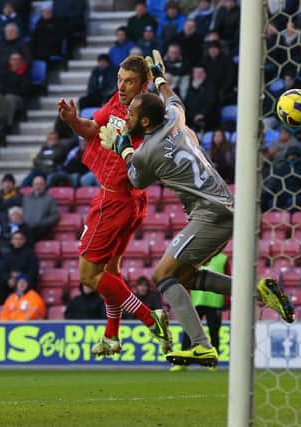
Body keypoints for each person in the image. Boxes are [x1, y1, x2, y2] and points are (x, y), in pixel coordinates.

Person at [98, 50, 294, 367]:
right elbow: (173, 98)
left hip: (210, 213)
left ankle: (202, 345)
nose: (128, 117)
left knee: (162, 276)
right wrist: (160, 76)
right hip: (225, 206)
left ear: (145, 121)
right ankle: (257, 291)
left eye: (132, 115)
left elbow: (135, 179)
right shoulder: (175, 117)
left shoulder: (148, 152)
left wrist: (122, 146)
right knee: (185, 277)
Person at [58, 55, 170, 357]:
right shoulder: (117, 104)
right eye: (119, 79)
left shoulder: (146, 114)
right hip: (126, 200)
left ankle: (151, 317)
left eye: (129, 81)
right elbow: (93, 129)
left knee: (88, 276)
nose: (121, 86)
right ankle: (111, 337)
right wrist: (72, 120)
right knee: (110, 270)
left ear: (142, 84)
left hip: (115, 200)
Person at [171, 253, 227, 372]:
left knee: (214, 332)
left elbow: (229, 277)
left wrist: (226, 300)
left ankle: (212, 362)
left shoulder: (223, 259)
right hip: (195, 301)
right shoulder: (195, 257)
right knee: (189, 332)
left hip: (215, 302)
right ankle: (183, 362)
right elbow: (185, 278)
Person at [21, 176, 60, 242]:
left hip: (41, 227)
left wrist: (42, 223)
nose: (38, 187)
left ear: (44, 186)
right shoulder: (26, 198)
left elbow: (55, 216)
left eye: (41, 184)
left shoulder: (49, 199)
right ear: (33, 185)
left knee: (28, 236)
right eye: (36, 184)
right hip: (26, 226)